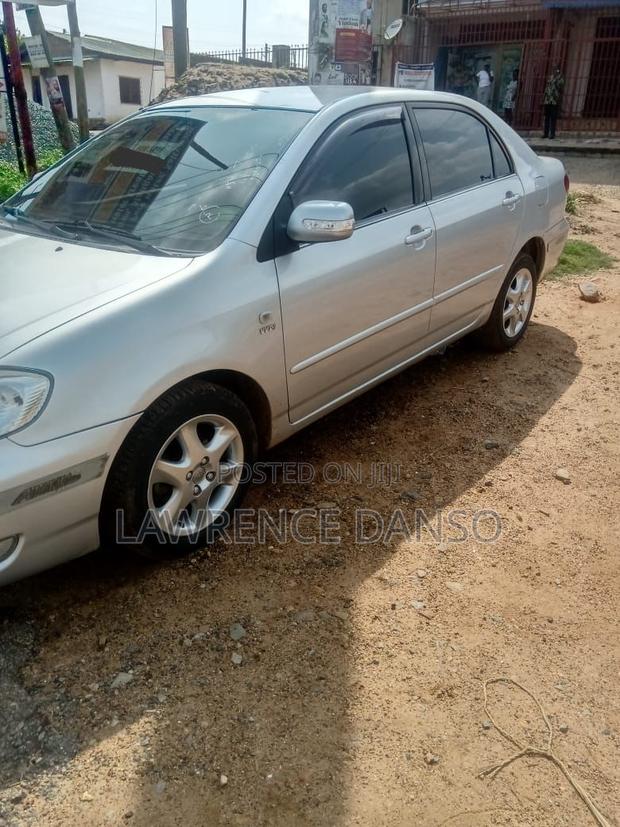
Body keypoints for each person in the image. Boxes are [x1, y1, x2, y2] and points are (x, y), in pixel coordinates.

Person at [543, 67, 564, 139]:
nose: (554, 71)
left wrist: (558, 77)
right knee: (547, 118)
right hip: (548, 100)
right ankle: (545, 133)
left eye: (556, 70)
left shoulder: (560, 78)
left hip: (554, 100)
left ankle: (552, 134)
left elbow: (560, 87)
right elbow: (547, 87)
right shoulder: (550, 77)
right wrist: (544, 97)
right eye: (554, 69)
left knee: (553, 118)